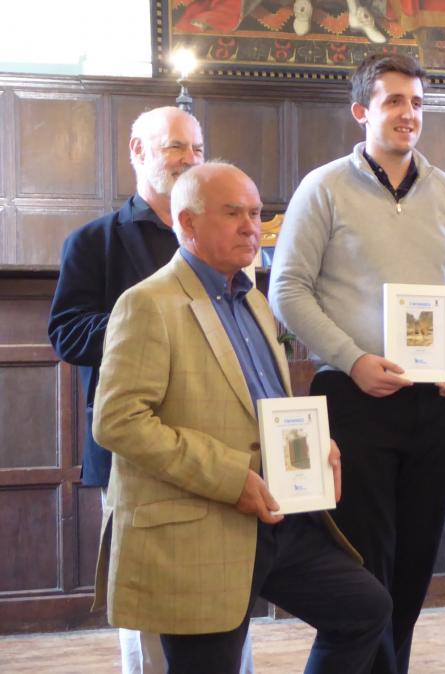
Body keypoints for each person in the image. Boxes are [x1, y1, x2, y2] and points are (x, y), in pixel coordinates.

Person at [91, 161, 392, 674]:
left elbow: (265, 402)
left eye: (255, 212)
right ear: (187, 223)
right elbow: (118, 421)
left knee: (365, 608)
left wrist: (317, 444)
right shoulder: (147, 304)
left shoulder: (253, 300)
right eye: (233, 213)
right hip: (199, 525)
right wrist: (232, 477)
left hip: (277, 520)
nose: (251, 226)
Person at [269, 52, 445, 674]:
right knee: (365, 570)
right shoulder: (323, 188)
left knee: (416, 562)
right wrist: (352, 359)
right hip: (354, 400)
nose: (408, 114)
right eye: (394, 101)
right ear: (361, 111)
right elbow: (287, 290)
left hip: (438, 405)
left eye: (417, 103)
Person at [45, 105, 257, 674]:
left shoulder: (225, 240)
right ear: (137, 152)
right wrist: (153, 326)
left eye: (197, 148)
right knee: (151, 607)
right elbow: (66, 333)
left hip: (222, 447)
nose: (189, 158)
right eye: (175, 147)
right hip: (136, 446)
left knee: (229, 590)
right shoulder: (94, 241)